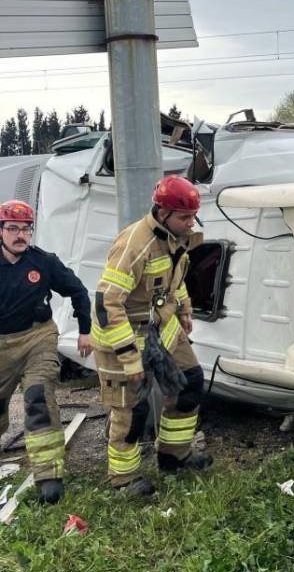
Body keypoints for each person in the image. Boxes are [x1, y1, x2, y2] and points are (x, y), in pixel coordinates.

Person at [91, 175, 212, 496]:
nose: (191, 223)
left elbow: (175, 278)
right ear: (162, 213)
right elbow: (107, 303)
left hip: (160, 325)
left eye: (192, 216)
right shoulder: (134, 244)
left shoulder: (176, 236)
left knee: (190, 384)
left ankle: (173, 455)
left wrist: (184, 309)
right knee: (133, 411)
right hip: (123, 334)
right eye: (185, 217)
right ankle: (123, 479)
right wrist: (130, 359)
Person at [0, 199, 92, 504]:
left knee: (38, 396)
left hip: (37, 338)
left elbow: (78, 290)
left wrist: (85, 330)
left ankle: (48, 475)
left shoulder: (43, 262)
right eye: (12, 228)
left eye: (26, 228)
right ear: (1, 231)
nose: (20, 235)